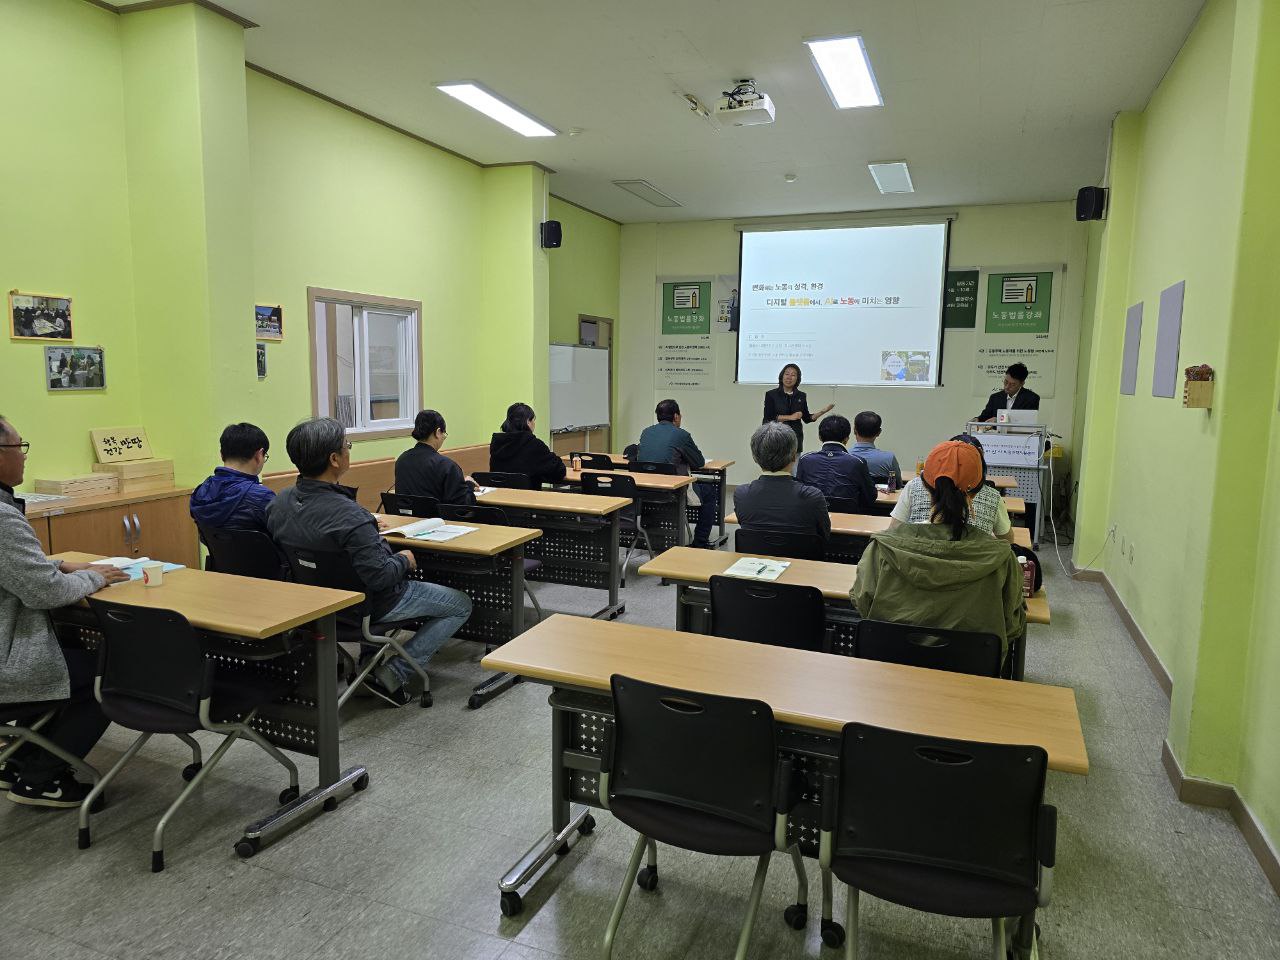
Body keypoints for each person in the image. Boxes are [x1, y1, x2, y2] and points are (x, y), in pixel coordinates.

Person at [267, 418, 472, 706]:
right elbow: (381, 577)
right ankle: (393, 673)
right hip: (369, 605)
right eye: (347, 446)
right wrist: (404, 559)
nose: (349, 451)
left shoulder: (279, 503)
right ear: (335, 459)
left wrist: (365, 530)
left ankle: (369, 660)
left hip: (317, 604)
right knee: (460, 604)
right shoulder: (350, 515)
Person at [0, 415, 130, 807]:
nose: (23, 458)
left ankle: (19, 760)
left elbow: (16, 571)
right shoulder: (3, 517)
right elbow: (46, 594)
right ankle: (42, 779)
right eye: (18, 448)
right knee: (110, 677)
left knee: (76, 660)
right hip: (8, 665)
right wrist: (95, 577)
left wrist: (58, 565)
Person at [852, 440, 1026, 660]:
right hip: (971, 669)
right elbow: (1011, 624)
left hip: (891, 662)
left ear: (924, 487)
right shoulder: (1001, 557)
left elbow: (863, 603)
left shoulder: (882, 548)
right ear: (976, 492)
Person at [887, 434, 1014, 541]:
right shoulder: (992, 497)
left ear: (927, 487)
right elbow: (1007, 541)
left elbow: (894, 531)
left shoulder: (913, 486)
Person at [636, 399, 716, 548]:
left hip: (645, 491)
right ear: (676, 417)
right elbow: (699, 462)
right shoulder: (682, 435)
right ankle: (700, 543)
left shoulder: (646, 432)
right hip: (672, 491)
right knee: (710, 492)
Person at [732, 422, 830, 539]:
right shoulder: (813, 496)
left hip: (757, 557)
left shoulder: (741, 494)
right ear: (794, 456)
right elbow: (824, 535)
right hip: (800, 556)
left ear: (754, 457)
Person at [189, 422, 276, 534]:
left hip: (219, 552)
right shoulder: (262, 497)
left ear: (221, 454)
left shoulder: (200, 492)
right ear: (259, 455)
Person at [795, 414, 877, 511]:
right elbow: (870, 497)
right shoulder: (857, 462)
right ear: (846, 438)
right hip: (849, 520)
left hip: (811, 520)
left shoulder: (805, 459)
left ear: (820, 437)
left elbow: (798, 494)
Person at [395, 409, 474, 505]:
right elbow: (464, 506)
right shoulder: (447, 466)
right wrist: (469, 485)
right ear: (437, 432)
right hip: (437, 519)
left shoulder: (402, 459)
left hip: (405, 519)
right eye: (444, 433)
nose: (444, 438)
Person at [489, 403, 566, 486]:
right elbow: (559, 471)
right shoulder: (535, 445)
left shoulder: (497, 443)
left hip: (499, 495)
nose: (534, 423)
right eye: (533, 420)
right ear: (528, 422)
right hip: (528, 496)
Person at [762, 363, 833, 454]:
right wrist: (791, 417)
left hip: (794, 439)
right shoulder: (771, 395)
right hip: (775, 438)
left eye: (793, 375)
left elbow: (807, 418)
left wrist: (823, 411)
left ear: (797, 379)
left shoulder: (801, 396)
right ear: (782, 376)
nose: (789, 377)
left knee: (794, 468)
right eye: (787, 374)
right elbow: (769, 416)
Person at [850, 411, 902, 486]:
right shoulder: (889, 458)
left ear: (854, 430)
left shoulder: (844, 456)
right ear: (879, 432)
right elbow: (897, 485)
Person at [977, 362, 1041, 423]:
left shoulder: (1031, 398)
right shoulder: (995, 397)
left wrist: (999, 420)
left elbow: (1027, 421)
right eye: (1006, 382)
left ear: (1022, 384)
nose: (1007, 387)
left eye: (1012, 384)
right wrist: (977, 419)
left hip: (1019, 434)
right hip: (996, 434)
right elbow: (984, 417)